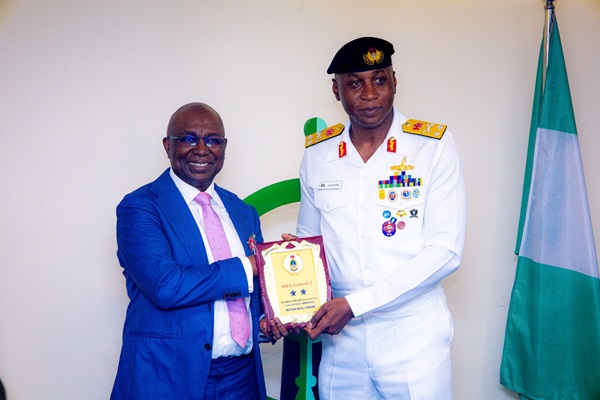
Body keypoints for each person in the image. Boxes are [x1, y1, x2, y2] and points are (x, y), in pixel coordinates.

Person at [292, 37, 467, 399]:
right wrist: (286, 296)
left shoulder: (431, 146)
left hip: (412, 332)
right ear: (336, 91)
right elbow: (309, 245)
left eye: (379, 80)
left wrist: (356, 305)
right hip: (342, 338)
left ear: (395, 81)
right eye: (355, 83)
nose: (370, 94)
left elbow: (445, 251)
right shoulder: (319, 154)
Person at [111, 102, 286, 400]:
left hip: (242, 378)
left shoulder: (243, 212)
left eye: (213, 140)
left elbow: (252, 291)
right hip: (168, 376)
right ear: (167, 145)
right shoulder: (140, 208)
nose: (202, 150)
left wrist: (263, 322)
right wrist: (250, 265)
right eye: (189, 139)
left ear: (224, 148)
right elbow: (166, 286)